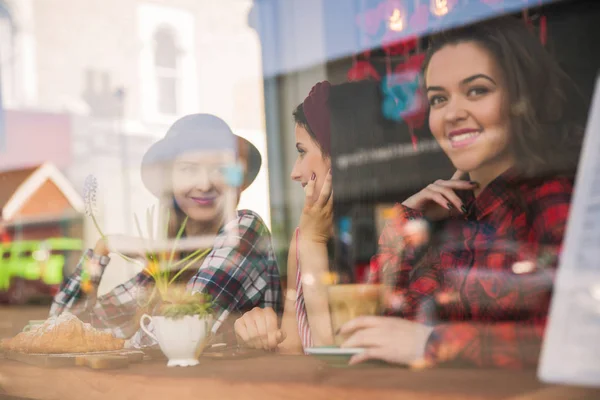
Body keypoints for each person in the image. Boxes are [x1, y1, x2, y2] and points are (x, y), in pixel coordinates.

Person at [339, 16, 582, 368]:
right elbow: (382, 319)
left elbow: (578, 339)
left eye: (477, 91)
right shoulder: (451, 215)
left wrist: (434, 343)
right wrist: (402, 220)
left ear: (522, 99)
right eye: (438, 99)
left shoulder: (551, 198)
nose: (452, 113)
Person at [50, 114, 282, 346]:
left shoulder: (244, 229)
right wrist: (101, 251)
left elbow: (177, 333)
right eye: (188, 170)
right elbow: (61, 330)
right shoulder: (172, 260)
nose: (204, 184)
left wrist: (113, 344)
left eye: (219, 170)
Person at [234, 82, 338, 352]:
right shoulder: (301, 239)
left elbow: (335, 356)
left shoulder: (393, 234)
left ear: (338, 155)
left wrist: (313, 242)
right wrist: (253, 330)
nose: (294, 172)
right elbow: (291, 349)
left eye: (302, 151)